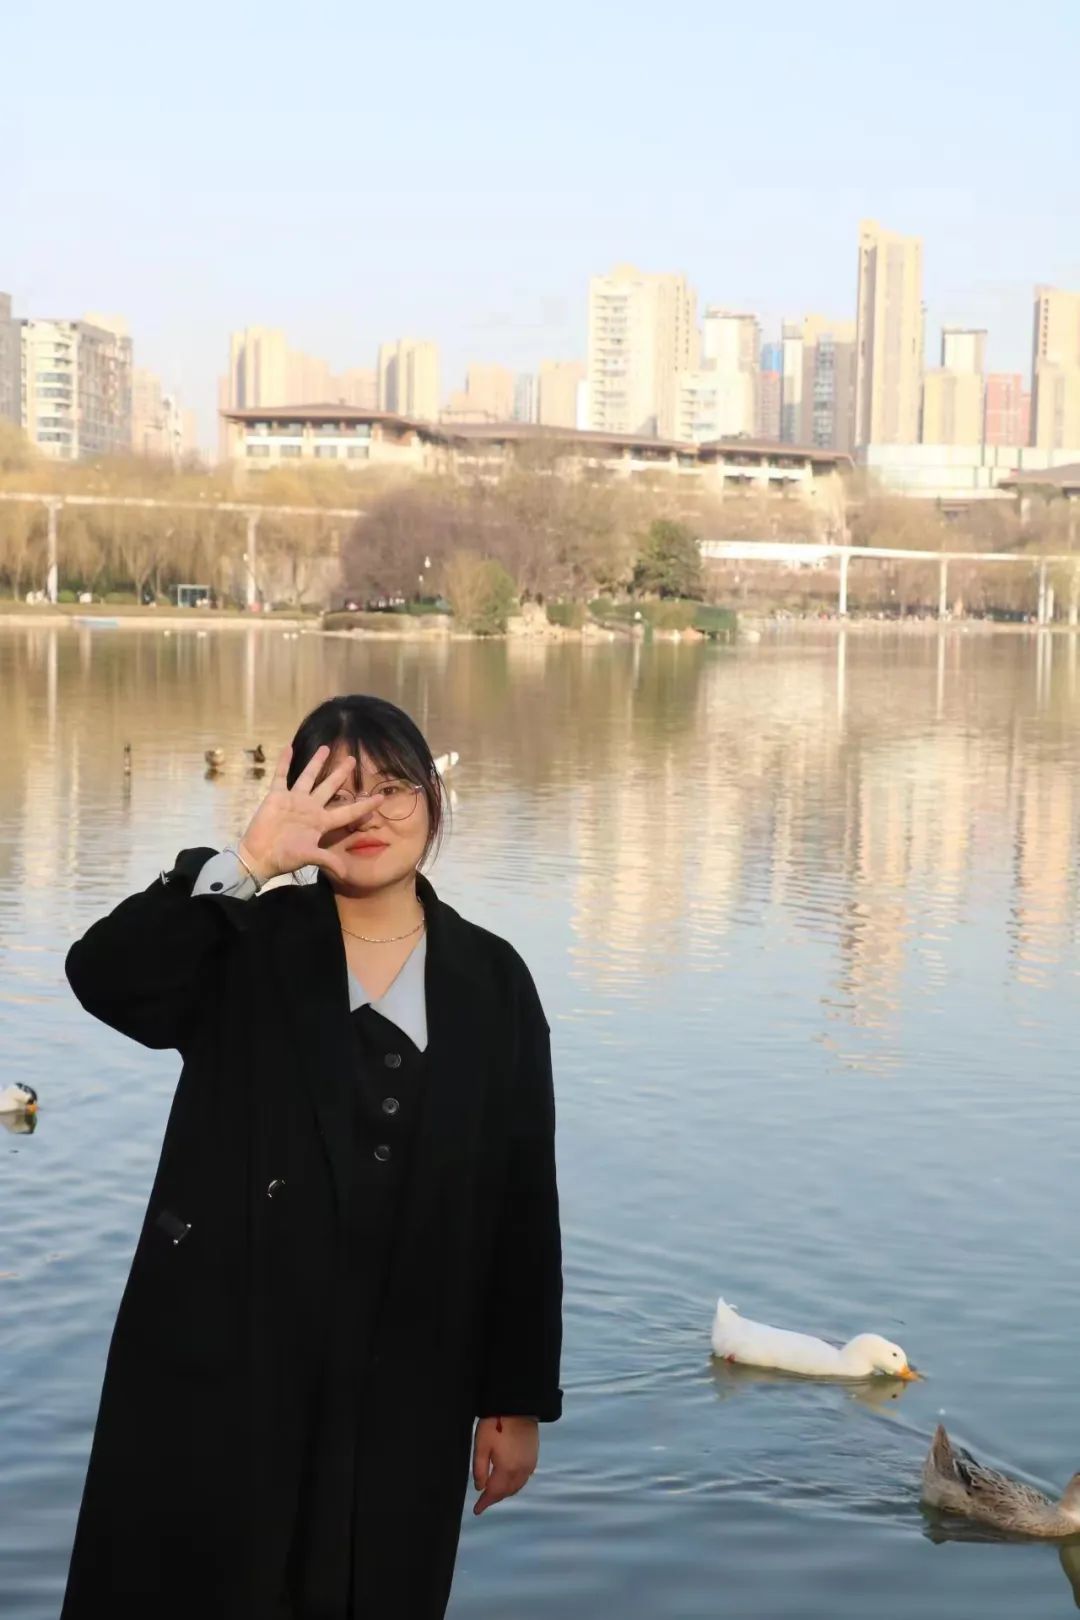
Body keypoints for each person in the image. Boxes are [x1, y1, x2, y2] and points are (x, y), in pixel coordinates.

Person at [62, 693, 563, 1620]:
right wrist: (249, 862)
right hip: (223, 1360)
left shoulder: (493, 980)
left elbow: (523, 1200)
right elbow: (104, 979)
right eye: (337, 791)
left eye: (392, 787)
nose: (367, 814)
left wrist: (516, 1398)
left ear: (433, 800)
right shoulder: (242, 935)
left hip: (410, 1373)